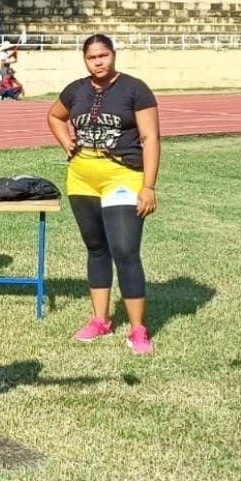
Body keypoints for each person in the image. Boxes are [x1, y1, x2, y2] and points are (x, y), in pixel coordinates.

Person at [46, 34, 160, 355]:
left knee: (124, 250)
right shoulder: (76, 90)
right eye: (92, 57)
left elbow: (150, 138)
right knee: (96, 248)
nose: (98, 62)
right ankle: (100, 320)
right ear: (85, 60)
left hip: (122, 175)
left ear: (113, 55)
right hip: (81, 177)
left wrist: (148, 186)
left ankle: (138, 329)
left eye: (104, 55)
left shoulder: (134, 89)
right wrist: (66, 141)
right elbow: (54, 115)